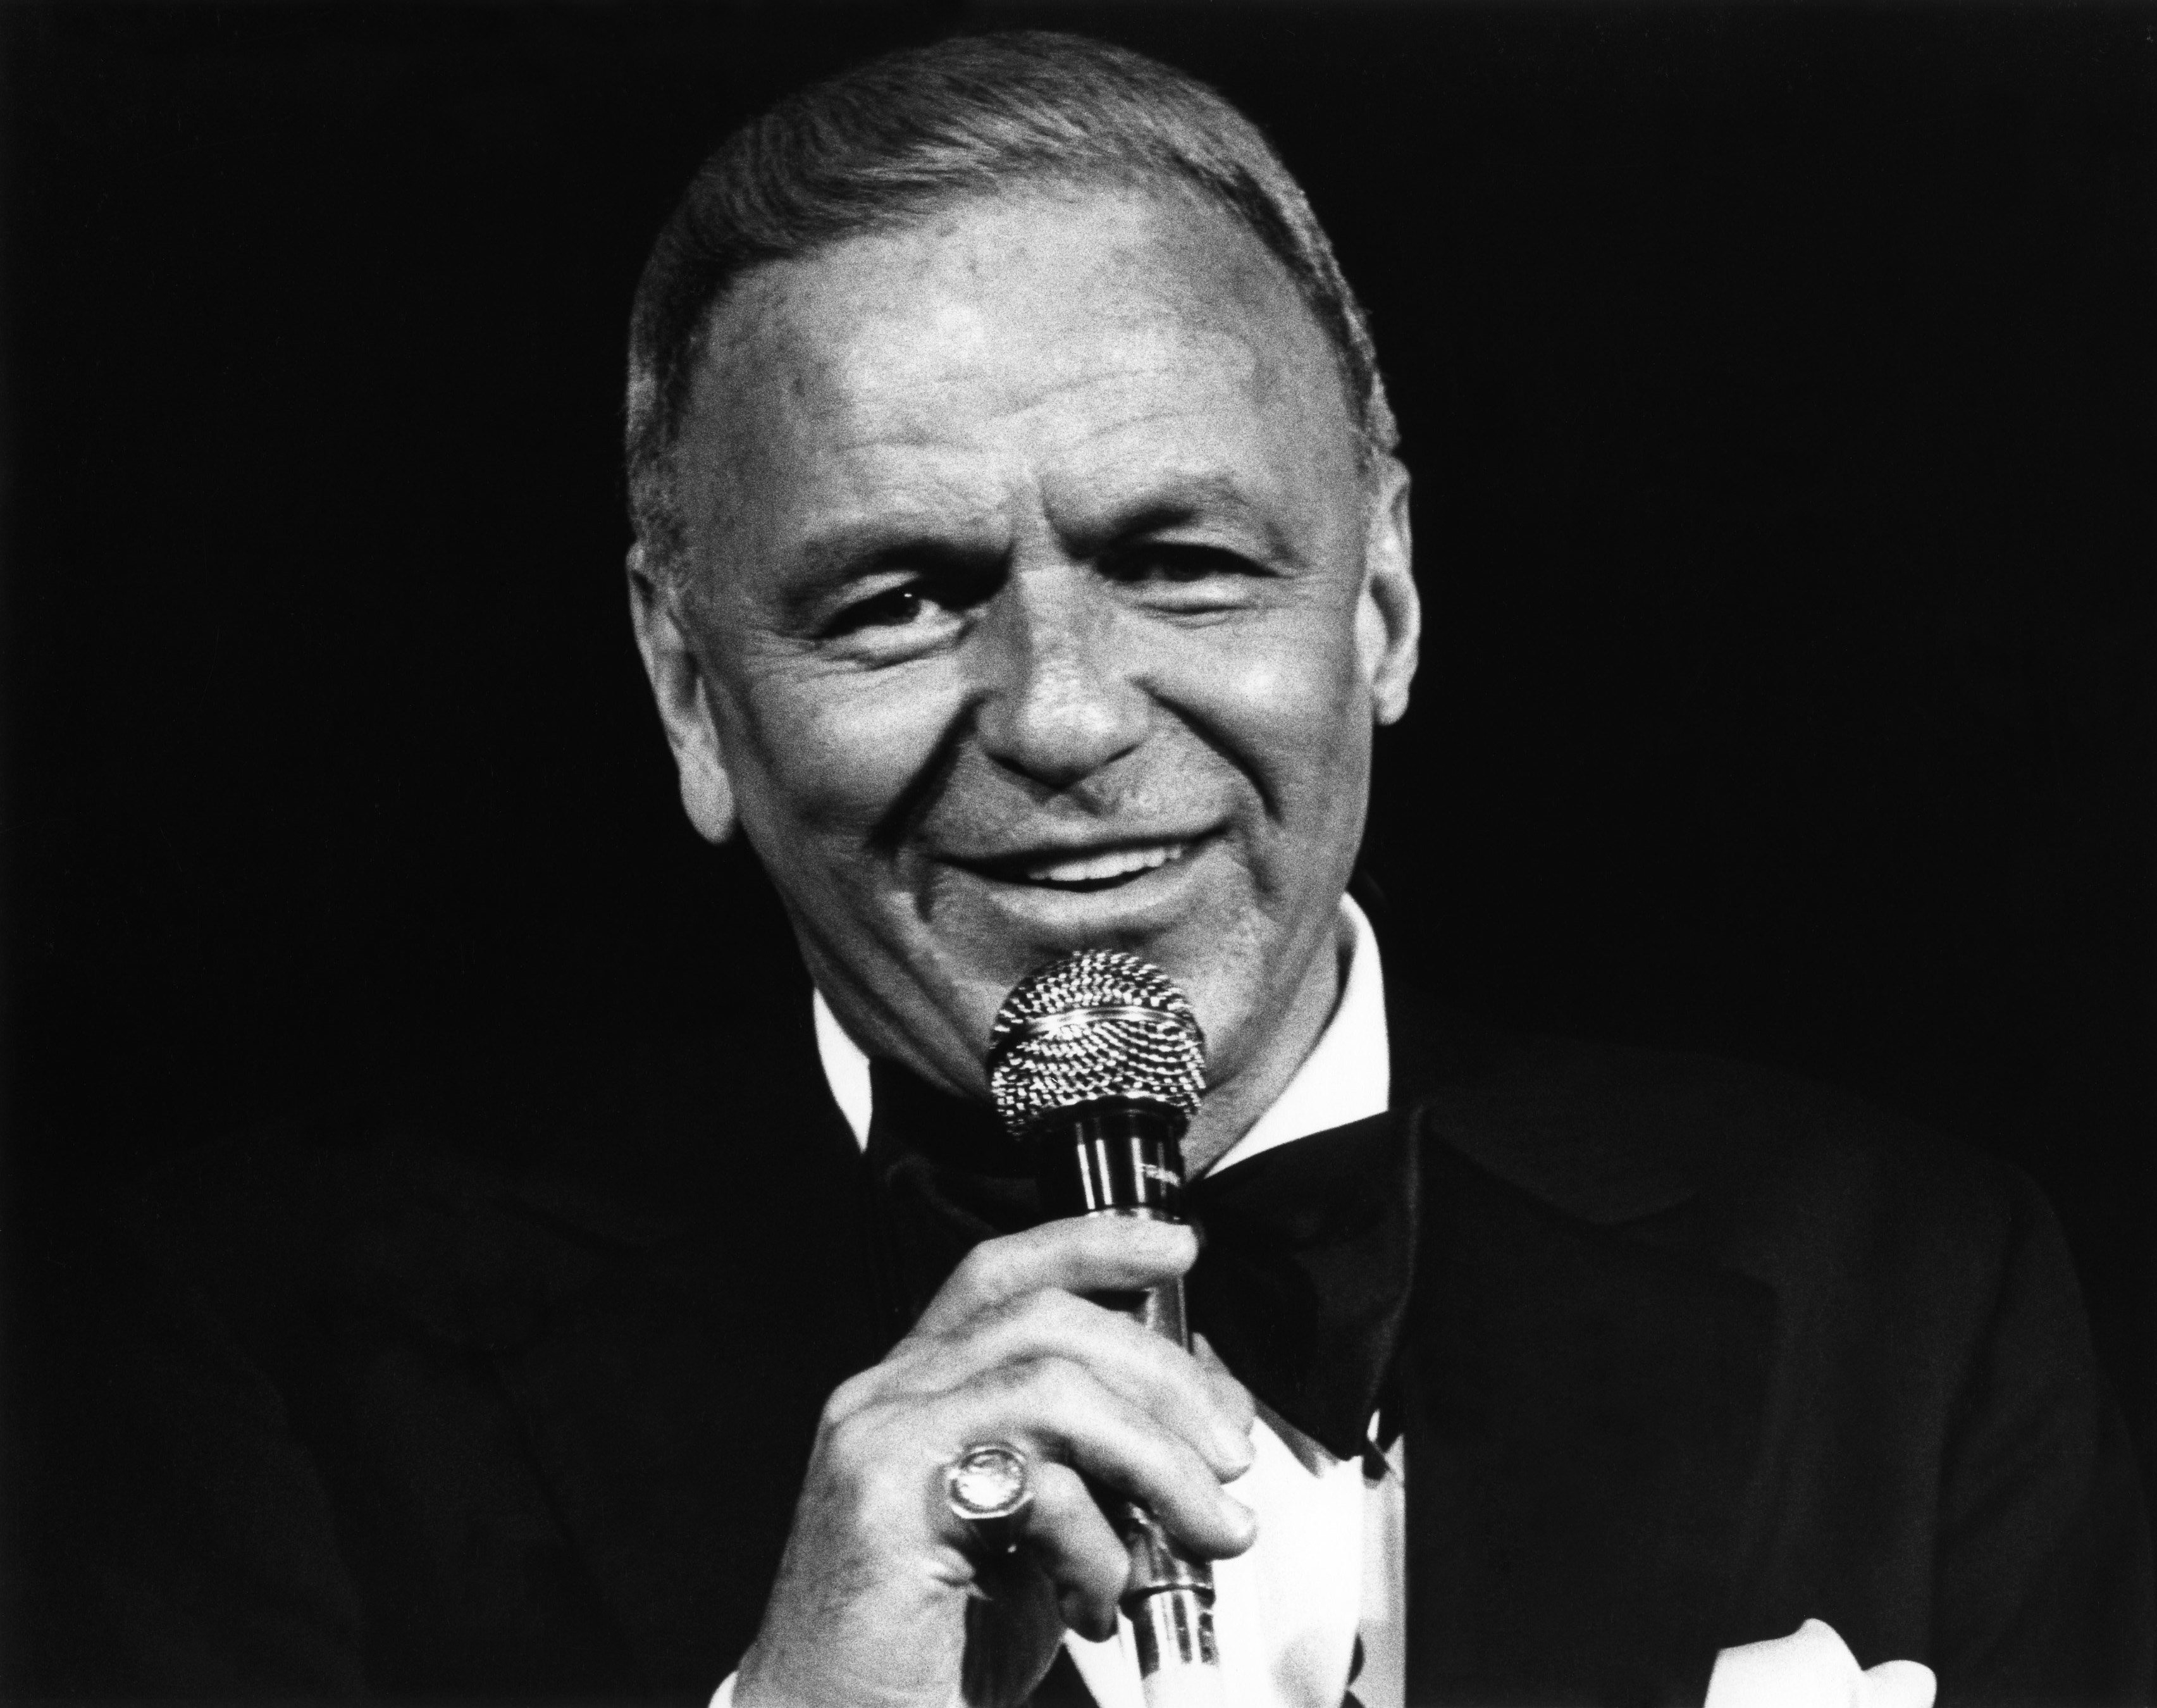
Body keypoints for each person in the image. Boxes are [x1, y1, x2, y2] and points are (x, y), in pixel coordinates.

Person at [26, 30, 2151, 1708]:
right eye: (891, 598)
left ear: (1384, 599)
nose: (1058, 713)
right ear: (690, 694)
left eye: (1181, 560)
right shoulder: (256, 1379)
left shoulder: (1911, 1288)